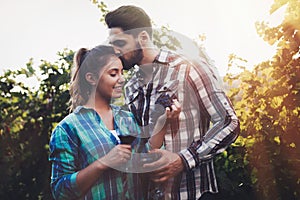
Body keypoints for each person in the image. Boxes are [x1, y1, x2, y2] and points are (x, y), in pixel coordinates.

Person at [105, 5, 240, 200]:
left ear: (142, 37)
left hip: (194, 194)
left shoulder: (188, 67)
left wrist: (182, 160)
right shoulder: (131, 86)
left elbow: (229, 122)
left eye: (119, 42)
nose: (115, 51)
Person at [49, 45, 177, 200]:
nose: (122, 79)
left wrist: (162, 122)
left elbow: (145, 161)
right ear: (91, 78)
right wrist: (103, 163)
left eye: (122, 72)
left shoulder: (126, 118)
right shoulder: (68, 129)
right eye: (113, 73)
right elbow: (60, 192)